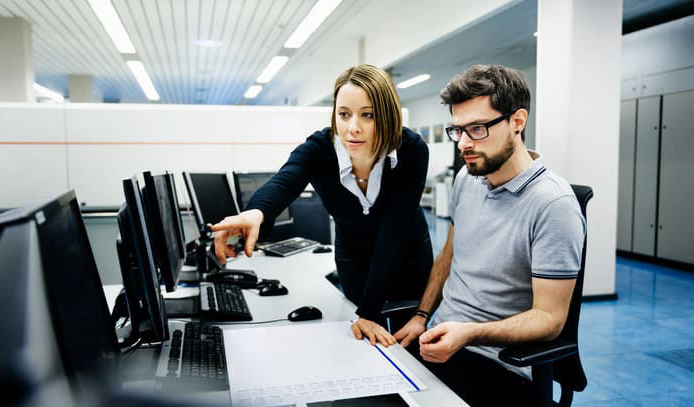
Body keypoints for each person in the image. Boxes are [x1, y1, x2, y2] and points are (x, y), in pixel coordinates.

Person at [392, 65, 586, 405]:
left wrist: (468, 333)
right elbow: (449, 258)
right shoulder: (468, 179)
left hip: (502, 367)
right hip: (442, 346)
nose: (464, 144)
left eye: (477, 129)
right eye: (458, 131)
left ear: (518, 121)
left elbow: (550, 320)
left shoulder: (554, 204)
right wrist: (422, 316)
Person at [211, 64, 433, 346]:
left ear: (387, 115)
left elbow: (395, 231)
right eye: (344, 114)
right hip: (352, 254)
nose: (353, 127)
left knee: (404, 340)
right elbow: (285, 180)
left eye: (368, 115)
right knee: (361, 338)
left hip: (405, 253)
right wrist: (256, 212)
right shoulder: (319, 148)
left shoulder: (411, 149)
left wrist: (369, 311)